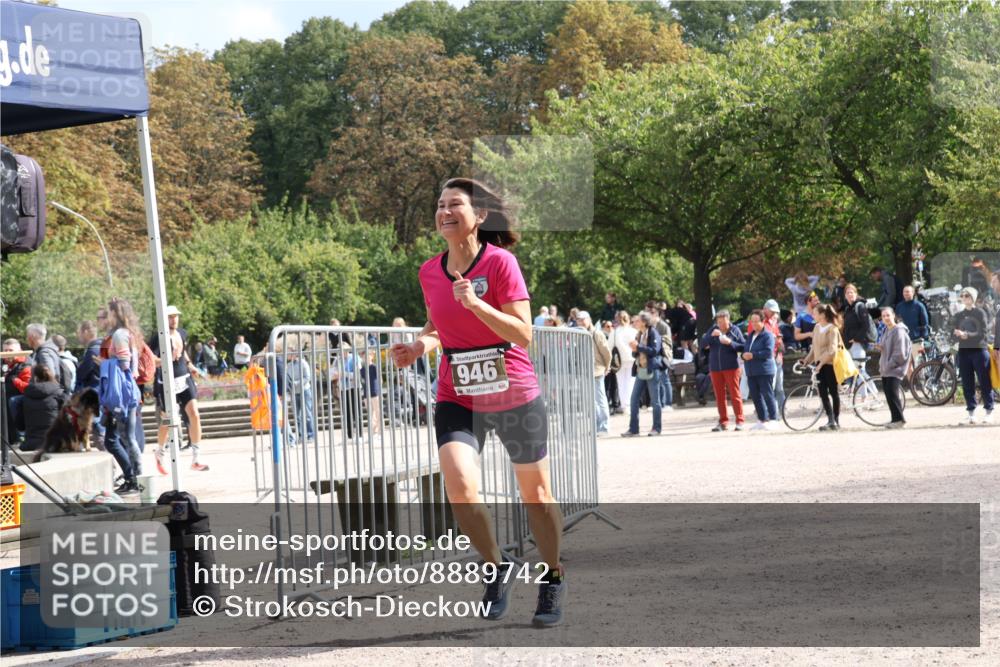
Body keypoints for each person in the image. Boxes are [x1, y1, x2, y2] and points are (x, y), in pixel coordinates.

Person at [390, 177, 565, 627]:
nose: (445, 212)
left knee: (537, 497)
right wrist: (419, 347)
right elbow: (436, 326)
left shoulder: (501, 263)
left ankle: (551, 576)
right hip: (458, 393)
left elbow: (523, 333)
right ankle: (497, 566)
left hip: (513, 393)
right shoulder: (429, 271)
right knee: (461, 490)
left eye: (455, 204)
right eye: (440, 204)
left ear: (480, 216)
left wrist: (478, 306)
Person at [151, 305, 209, 473]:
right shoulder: (158, 337)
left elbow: (183, 353)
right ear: (164, 318)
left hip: (184, 378)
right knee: (167, 420)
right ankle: (160, 451)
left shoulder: (182, 333)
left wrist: (191, 365)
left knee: (194, 414)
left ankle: (196, 458)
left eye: (175, 316)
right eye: (170, 317)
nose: (174, 319)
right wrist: (165, 359)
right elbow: (150, 358)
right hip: (167, 381)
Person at [100, 298, 144, 493]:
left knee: (120, 438)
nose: (106, 316)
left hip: (121, 393)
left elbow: (124, 363)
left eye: (108, 312)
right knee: (126, 437)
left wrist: (104, 363)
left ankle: (134, 479)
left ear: (115, 313)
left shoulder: (119, 335)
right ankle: (134, 478)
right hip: (129, 390)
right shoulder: (129, 333)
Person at [951, 286, 993, 425]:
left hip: (979, 350)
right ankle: (971, 413)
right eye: (962, 295)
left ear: (973, 297)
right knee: (967, 383)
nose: (964, 298)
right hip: (963, 352)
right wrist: (956, 334)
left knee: (984, 381)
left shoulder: (980, 312)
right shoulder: (959, 315)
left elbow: (983, 333)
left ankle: (988, 412)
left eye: (967, 295)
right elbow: (952, 332)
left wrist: (967, 335)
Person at [701, 310, 746, 432]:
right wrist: (710, 336)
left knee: (735, 394)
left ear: (728, 320)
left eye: (723, 322)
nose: (720, 324)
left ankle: (740, 421)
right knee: (719, 396)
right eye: (718, 322)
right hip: (715, 368)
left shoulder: (735, 330)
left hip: (731, 367)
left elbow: (743, 346)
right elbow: (703, 344)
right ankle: (723, 422)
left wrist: (730, 342)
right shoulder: (713, 329)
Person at [622, 311, 665, 437]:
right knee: (634, 399)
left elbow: (654, 351)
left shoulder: (653, 333)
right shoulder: (639, 334)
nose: (635, 322)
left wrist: (638, 347)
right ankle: (633, 429)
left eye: (638, 321)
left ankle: (656, 428)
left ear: (645, 322)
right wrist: (634, 349)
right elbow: (636, 353)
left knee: (655, 401)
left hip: (652, 370)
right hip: (640, 369)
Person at [801, 304, 842, 431]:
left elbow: (832, 350)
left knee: (834, 392)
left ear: (822, 315)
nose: (813, 315)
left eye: (815, 313)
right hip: (819, 365)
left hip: (830, 365)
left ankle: (836, 420)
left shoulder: (832, 329)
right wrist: (807, 360)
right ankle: (830, 420)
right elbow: (814, 348)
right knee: (823, 393)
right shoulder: (817, 327)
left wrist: (820, 364)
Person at [739, 310, 779, 431]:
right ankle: (762, 419)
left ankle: (774, 419)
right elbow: (745, 350)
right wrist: (743, 356)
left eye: (757, 321)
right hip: (751, 371)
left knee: (768, 395)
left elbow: (768, 352)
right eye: (752, 321)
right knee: (756, 397)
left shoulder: (768, 335)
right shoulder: (750, 335)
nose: (754, 324)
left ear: (763, 321)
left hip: (764, 370)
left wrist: (753, 355)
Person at [15, 364, 64, 452]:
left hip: (31, 444)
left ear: (35, 377)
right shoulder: (60, 393)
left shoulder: (25, 396)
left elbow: (20, 426)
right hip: (55, 443)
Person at [579, 311, 611, 436]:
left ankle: (604, 427)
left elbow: (606, 352)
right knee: (592, 401)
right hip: (585, 371)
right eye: (578, 320)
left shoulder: (596, 333)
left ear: (589, 319)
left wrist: (607, 367)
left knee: (600, 400)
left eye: (583, 319)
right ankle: (597, 427)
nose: (580, 322)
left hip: (597, 370)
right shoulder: (580, 333)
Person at [878, 308, 910, 428]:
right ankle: (895, 420)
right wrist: (881, 347)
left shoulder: (899, 331)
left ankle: (900, 420)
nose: (886, 318)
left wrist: (889, 364)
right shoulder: (887, 330)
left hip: (895, 368)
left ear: (893, 316)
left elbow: (900, 352)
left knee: (893, 394)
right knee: (889, 395)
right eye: (883, 316)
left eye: (888, 315)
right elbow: (887, 347)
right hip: (886, 369)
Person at [645, 304, 674, 412]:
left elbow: (668, 342)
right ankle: (659, 403)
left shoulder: (663, 326)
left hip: (663, 356)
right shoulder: (651, 326)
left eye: (650, 314)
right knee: (657, 381)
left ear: (655, 314)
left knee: (665, 380)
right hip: (655, 357)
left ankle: (668, 404)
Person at [611, 311, 637, 417]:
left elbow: (610, 347)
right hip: (632, 359)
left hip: (619, 360)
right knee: (630, 382)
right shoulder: (633, 331)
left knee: (621, 383)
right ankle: (629, 404)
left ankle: (624, 406)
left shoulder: (614, 332)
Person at [842, 283, 877, 361]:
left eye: (852, 292)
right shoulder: (847, 309)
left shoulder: (860, 306)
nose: (850, 294)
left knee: (859, 367)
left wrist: (856, 339)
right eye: (847, 293)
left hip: (859, 344)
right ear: (845, 296)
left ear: (856, 294)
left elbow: (866, 325)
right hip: (849, 345)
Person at [762, 299, 786, 409]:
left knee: (779, 385)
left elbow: (778, 338)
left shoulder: (774, 321)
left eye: (775, 312)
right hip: (767, 357)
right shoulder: (759, 321)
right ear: (765, 309)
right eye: (772, 311)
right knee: (769, 385)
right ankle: (767, 409)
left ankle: (782, 408)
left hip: (777, 356)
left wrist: (780, 352)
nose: (774, 313)